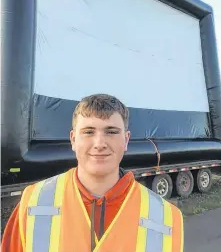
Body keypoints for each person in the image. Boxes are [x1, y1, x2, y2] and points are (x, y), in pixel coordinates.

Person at [2, 93, 184, 252]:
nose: (99, 143)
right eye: (88, 132)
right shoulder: (33, 203)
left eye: (111, 132)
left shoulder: (166, 218)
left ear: (126, 140)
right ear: (73, 139)